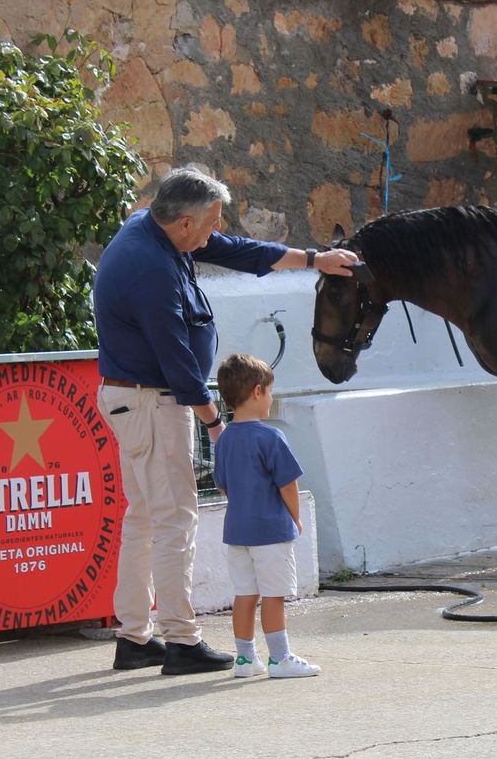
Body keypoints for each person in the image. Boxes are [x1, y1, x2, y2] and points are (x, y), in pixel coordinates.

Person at [95, 165, 356, 674]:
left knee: (145, 518)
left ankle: (133, 637)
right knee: (174, 521)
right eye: (210, 222)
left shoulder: (157, 228)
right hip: (153, 401)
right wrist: (217, 425)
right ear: (185, 223)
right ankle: (181, 642)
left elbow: (236, 250)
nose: (215, 231)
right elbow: (176, 361)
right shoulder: (150, 266)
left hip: (138, 399)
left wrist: (314, 259)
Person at [215, 353, 320, 679]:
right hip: (270, 532)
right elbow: (288, 485)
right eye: (271, 392)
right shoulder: (271, 437)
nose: (271, 399)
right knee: (274, 596)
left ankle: (245, 660)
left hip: (237, 532)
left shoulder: (224, 439)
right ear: (258, 391)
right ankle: (280, 658)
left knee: (244, 594)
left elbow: (222, 486)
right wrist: (296, 517)